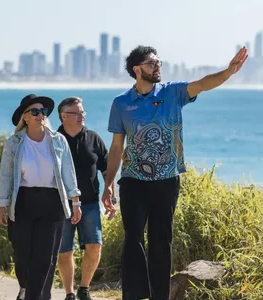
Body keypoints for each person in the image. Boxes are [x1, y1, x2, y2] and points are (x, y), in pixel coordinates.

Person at [101, 45, 248, 300]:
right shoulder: (122, 103)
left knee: (161, 242)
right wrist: (108, 182)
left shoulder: (172, 93)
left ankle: (159, 296)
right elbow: (116, 147)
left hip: (166, 182)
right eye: (152, 63)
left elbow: (202, 84)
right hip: (133, 180)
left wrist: (228, 72)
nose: (158, 67)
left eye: (159, 62)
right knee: (133, 237)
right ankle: (134, 295)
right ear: (137, 70)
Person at [0, 94, 82, 300]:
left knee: (45, 257)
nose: (40, 115)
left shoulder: (58, 140)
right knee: (23, 255)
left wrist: (76, 201)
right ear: (24, 117)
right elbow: (6, 175)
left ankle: (36, 296)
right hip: (23, 201)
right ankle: (26, 288)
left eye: (43, 111)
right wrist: (2, 205)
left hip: (52, 203)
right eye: (34, 111)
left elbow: (68, 173)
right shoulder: (14, 142)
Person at [56, 96, 115, 300]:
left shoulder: (93, 138)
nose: (82, 116)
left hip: (90, 203)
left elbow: (106, 169)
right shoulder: (54, 140)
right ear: (64, 116)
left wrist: (110, 192)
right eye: (77, 113)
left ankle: (84, 289)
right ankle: (69, 293)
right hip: (61, 205)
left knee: (95, 245)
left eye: (83, 112)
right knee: (65, 250)